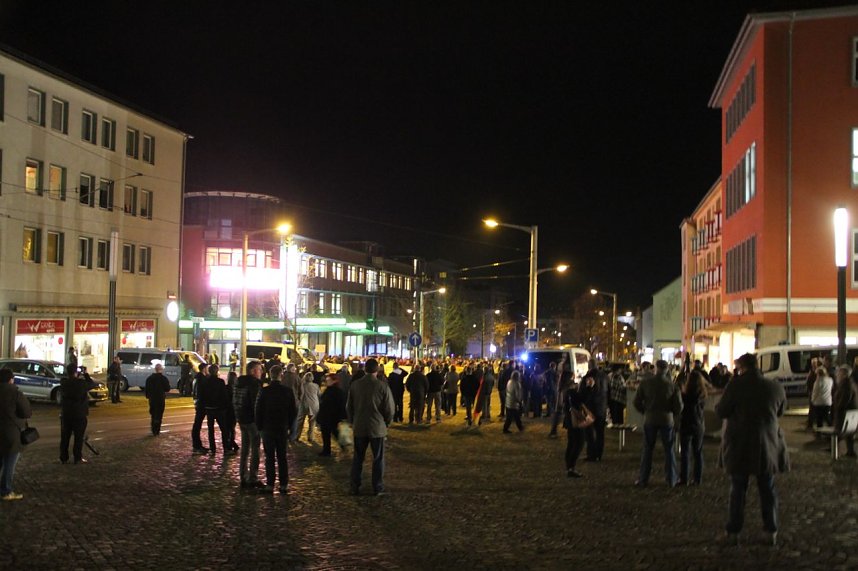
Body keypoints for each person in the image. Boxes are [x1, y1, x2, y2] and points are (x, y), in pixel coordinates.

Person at [716, 353, 788, 546]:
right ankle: (770, 530)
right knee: (767, 488)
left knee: (738, 489)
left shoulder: (735, 386)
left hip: (740, 442)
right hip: (767, 443)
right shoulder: (774, 386)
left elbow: (721, 410)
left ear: (742, 367)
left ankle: (733, 532)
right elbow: (781, 410)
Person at [347, 358, 395, 496]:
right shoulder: (382, 386)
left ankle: (355, 485)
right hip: (377, 427)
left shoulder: (355, 385)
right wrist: (386, 423)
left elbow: (348, 406)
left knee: (358, 457)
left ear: (365, 369)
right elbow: (389, 409)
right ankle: (377, 486)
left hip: (360, 426)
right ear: (377, 370)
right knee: (378, 458)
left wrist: (352, 421)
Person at [633, 359, 683, 487]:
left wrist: (645, 411)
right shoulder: (672, 385)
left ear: (655, 368)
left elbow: (636, 402)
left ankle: (643, 479)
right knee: (669, 450)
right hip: (667, 419)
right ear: (667, 370)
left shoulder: (646, 383)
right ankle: (671, 478)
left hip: (650, 418)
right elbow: (678, 407)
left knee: (647, 449)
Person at [255, 365, 297, 493]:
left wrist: (259, 427)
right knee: (282, 456)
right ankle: (284, 484)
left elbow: (258, 410)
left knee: (269, 457)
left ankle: (270, 484)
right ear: (281, 375)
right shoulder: (287, 391)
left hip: (267, 427)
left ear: (270, 375)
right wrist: (289, 426)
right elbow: (293, 411)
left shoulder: (264, 391)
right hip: (282, 427)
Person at [0, 368, 32, 500]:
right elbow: (26, 412)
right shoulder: (15, 392)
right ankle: (6, 491)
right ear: (10, 379)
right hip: (11, 434)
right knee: (9, 463)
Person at [233, 361, 263, 488]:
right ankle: (253, 477)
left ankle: (243, 475)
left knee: (245, 448)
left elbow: (234, 400)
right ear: (252, 371)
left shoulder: (239, 383)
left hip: (241, 418)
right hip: (251, 420)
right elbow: (256, 404)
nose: (261, 372)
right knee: (255, 449)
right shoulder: (254, 384)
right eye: (259, 369)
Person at [59, 368, 97, 464]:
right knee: (78, 437)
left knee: (65, 438)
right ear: (76, 373)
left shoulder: (64, 383)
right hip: (79, 414)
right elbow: (92, 384)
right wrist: (86, 374)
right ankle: (77, 457)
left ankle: (63, 457)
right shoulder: (81, 383)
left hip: (66, 414)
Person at [678, 370, 707, 485]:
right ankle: (697, 478)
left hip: (686, 423)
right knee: (698, 452)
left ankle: (684, 478)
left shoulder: (686, 395)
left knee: (685, 452)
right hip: (699, 424)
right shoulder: (702, 394)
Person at [199, 364, 229, 454]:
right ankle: (226, 448)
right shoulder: (220, 382)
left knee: (211, 430)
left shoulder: (205, 381)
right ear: (217, 371)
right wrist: (225, 406)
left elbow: (202, 395)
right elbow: (224, 396)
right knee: (224, 429)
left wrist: (204, 405)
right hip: (219, 409)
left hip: (209, 408)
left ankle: (213, 448)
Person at [581, 364, 609, 462]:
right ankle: (599, 454)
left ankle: (591, 454)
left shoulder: (586, 378)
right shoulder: (605, 377)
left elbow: (582, 394)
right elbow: (609, 393)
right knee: (600, 433)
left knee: (589, 433)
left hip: (590, 410)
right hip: (601, 409)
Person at [317, 372, 348, 456]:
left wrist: (342, 416)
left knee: (331, 432)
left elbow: (341, 404)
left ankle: (329, 450)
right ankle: (328, 449)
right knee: (329, 433)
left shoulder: (337, 391)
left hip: (332, 416)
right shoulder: (328, 390)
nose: (326, 381)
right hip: (327, 415)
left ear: (334, 381)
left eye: (328, 379)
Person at [563, 379, 588, 478]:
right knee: (579, 443)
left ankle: (569, 466)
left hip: (569, 421)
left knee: (571, 443)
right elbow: (583, 399)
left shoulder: (565, 393)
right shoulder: (573, 393)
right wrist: (588, 388)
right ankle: (571, 467)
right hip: (576, 421)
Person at [834, 365, 858, 457]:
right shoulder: (849, 382)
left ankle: (837, 448)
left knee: (844, 431)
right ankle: (849, 450)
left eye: (839, 373)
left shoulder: (846, 384)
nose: (837, 374)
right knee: (848, 433)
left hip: (846, 412)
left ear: (843, 374)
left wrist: (839, 407)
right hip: (850, 411)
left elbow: (845, 397)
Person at [144, 363, 172, 435]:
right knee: (159, 415)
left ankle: (153, 429)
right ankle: (157, 430)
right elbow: (167, 389)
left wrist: (148, 396)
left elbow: (147, 389)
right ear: (161, 369)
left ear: (155, 369)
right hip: (160, 399)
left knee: (153, 414)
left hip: (152, 399)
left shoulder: (149, 378)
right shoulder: (163, 378)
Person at [191, 363, 210, 453]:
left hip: (199, 403)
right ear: (203, 369)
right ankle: (197, 445)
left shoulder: (197, 377)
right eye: (207, 368)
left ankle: (197, 445)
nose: (208, 370)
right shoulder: (201, 379)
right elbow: (202, 392)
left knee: (197, 424)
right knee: (197, 425)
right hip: (201, 404)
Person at [283, 363, 305, 442]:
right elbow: (301, 391)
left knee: (285, 419)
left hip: (284, 402)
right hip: (294, 402)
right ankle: (292, 436)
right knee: (294, 419)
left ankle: (284, 434)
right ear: (293, 369)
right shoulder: (297, 378)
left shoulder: (283, 377)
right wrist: (299, 399)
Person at [297, 370, 320, 442]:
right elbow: (319, 395)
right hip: (314, 405)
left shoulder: (302, 385)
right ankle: (310, 437)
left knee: (300, 421)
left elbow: (301, 395)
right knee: (312, 422)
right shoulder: (316, 386)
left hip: (304, 404)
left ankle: (297, 436)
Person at [223, 371, 239, 452]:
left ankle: (231, 444)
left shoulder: (226, 387)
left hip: (226, 411)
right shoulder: (235, 388)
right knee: (231, 429)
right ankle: (231, 444)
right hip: (232, 411)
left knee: (228, 429)